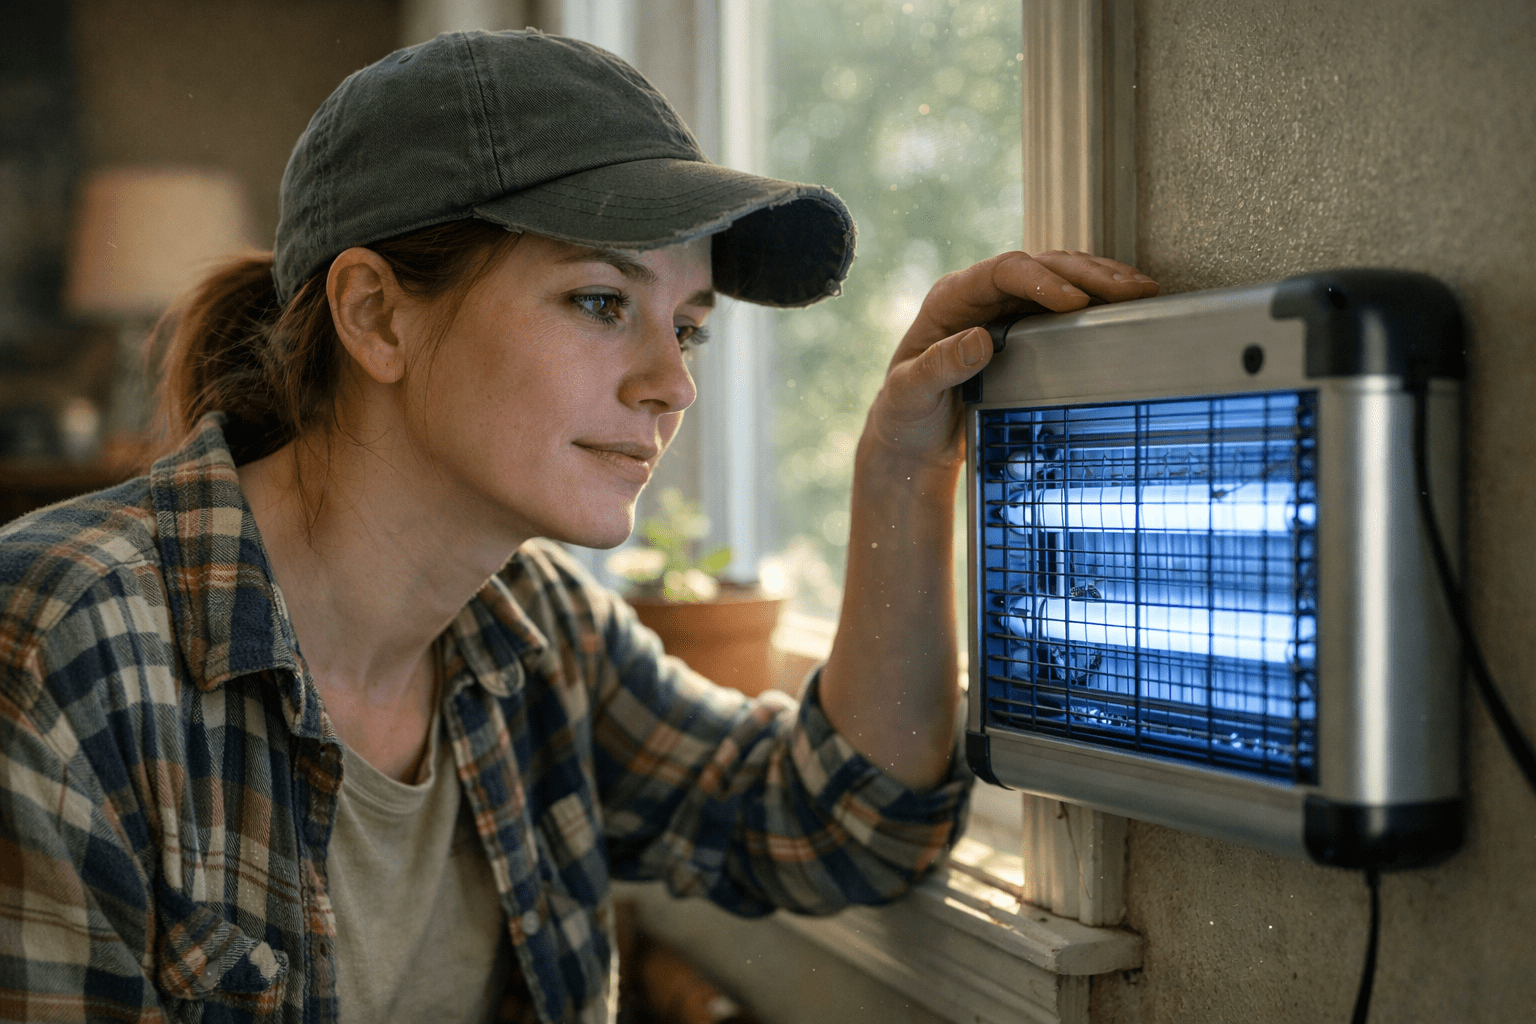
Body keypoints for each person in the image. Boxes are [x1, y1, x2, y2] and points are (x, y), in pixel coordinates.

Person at [0, 29, 1157, 1024]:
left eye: (688, 326)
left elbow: (842, 822)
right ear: (375, 316)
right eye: (602, 303)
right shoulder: (54, 648)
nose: (672, 383)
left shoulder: (535, 634)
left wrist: (904, 469)